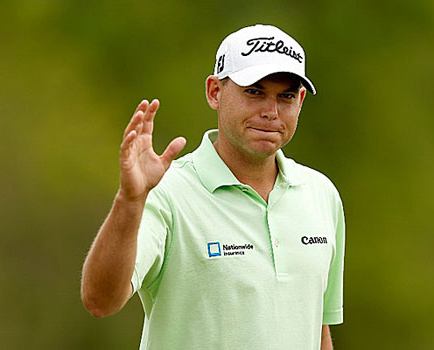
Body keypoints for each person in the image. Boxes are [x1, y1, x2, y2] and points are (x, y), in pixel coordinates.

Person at [81, 24, 345, 350]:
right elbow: (100, 300)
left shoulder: (321, 195)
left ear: (300, 100)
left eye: (286, 96)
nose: (270, 111)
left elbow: (316, 331)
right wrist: (130, 200)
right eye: (254, 91)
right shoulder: (166, 191)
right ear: (215, 92)